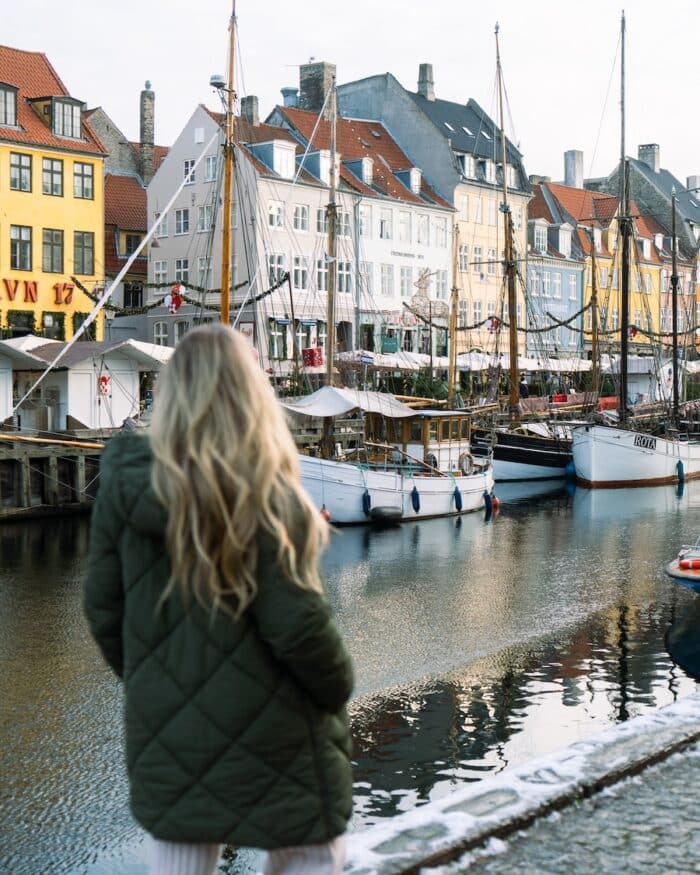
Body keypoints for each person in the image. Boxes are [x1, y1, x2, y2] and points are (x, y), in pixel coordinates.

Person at [84, 324, 354, 875]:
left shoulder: (126, 488)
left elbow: (103, 611)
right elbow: (298, 628)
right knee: (309, 852)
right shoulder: (264, 491)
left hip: (171, 735)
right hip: (279, 733)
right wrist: (338, 685)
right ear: (249, 394)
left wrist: (157, 678)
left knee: (182, 849)